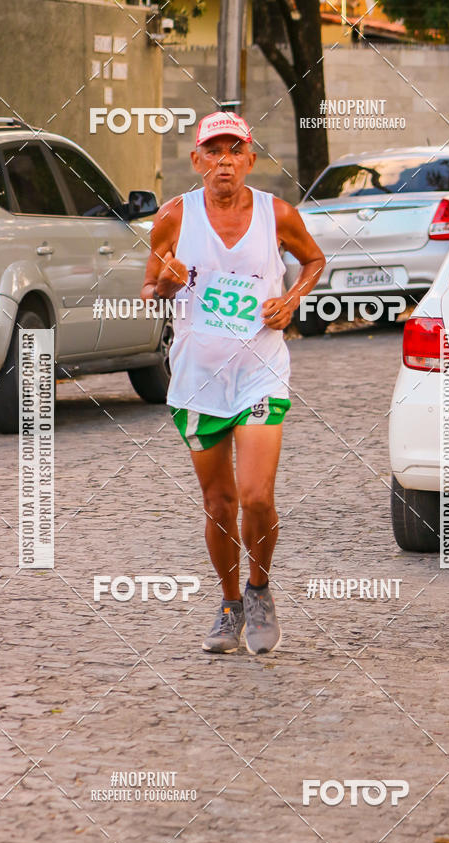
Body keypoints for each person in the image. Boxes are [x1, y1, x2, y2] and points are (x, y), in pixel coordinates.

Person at [141, 111, 324, 655]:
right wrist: (166, 286)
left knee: (256, 496)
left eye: (234, 151)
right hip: (198, 380)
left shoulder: (277, 213)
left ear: (250, 159)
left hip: (260, 373)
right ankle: (229, 604)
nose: (224, 161)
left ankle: (260, 589)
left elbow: (313, 259)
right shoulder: (175, 217)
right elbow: (148, 288)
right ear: (197, 161)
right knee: (219, 503)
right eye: (212, 152)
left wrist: (290, 301)